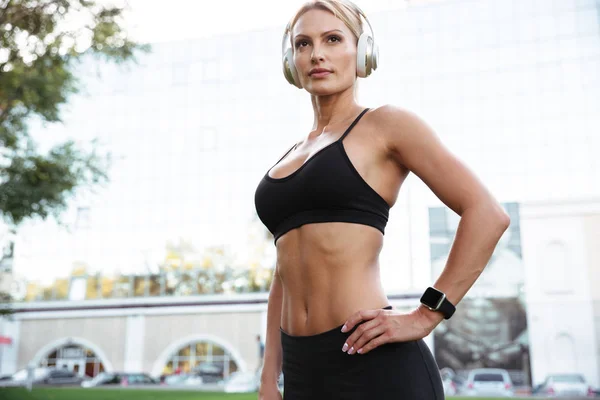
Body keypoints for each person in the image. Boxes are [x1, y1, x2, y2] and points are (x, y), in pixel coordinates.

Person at [253, 1, 510, 399]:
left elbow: (487, 214)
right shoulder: (289, 155)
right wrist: (270, 376)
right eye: (303, 44)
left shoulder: (386, 125)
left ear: (362, 51)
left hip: (374, 363)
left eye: (333, 39)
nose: (317, 53)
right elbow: (283, 273)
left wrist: (426, 315)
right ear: (291, 61)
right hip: (304, 373)